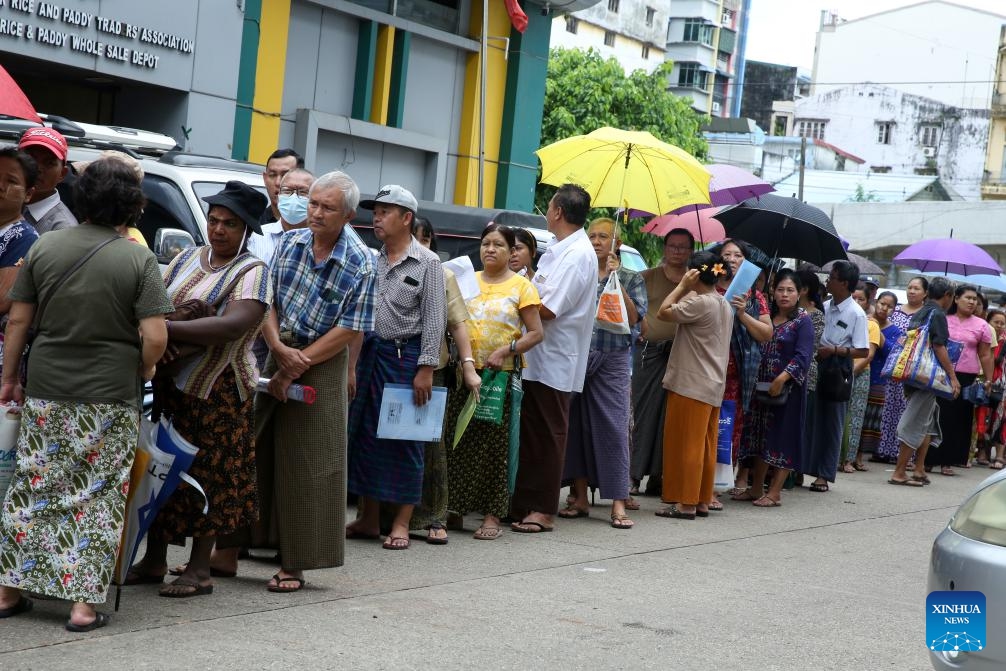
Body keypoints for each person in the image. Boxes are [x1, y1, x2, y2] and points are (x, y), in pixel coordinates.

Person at [0, 157, 171, 631]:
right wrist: (146, 365)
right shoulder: (138, 258)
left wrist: (10, 377)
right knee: (96, 495)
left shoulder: (47, 246)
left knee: (34, 485)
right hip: (109, 391)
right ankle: (81, 606)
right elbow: (155, 336)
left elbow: (18, 320)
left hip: (49, 386)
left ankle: (8, 590)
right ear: (132, 205)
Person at [214, 170, 376, 592]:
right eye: (314, 204)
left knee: (309, 463)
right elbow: (266, 300)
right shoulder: (289, 243)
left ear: (349, 215)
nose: (317, 213)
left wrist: (297, 363)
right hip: (274, 348)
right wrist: (278, 351)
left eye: (327, 207)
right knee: (248, 448)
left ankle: (296, 563)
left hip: (321, 360)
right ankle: (227, 551)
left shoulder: (361, 260)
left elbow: (350, 328)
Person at [128, 181, 272, 598]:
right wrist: (167, 332)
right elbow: (156, 300)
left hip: (219, 390)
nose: (219, 229)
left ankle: (198, 569)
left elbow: (234, 324)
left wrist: (167, 330)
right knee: (163, 469)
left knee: (208, 477)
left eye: (229, 223)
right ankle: (154, 560)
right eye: (214, 220)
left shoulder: (252, 272)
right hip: (172, 385)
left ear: (246, 229)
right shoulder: (186, 258)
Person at [346, 185, 446, 550]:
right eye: (375, 211)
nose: (377, 218)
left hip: (407, 358)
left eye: (386, 211)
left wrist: (426, 368)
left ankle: (401, 524)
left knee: (405, 439)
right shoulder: (371, 259)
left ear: (407, 219)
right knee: (366, 437)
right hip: (371, 354)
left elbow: (435, 320)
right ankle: (368, 519)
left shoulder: (428, 263)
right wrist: (352, 366)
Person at [446, 223, 543, 540]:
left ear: (511, 251)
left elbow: (536, 334)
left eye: (498, 245)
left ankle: (491, 516)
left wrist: (506, 350)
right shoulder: (467, 281)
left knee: (494, 448)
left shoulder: (522, 286)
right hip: (465, 372)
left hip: (499, 378)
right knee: (458, 442)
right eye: (486, 243)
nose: (490, 249)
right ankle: (455, 510)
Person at [511, 184, 597, 534]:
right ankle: (523, 502)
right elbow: (538, 290)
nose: (547, 211)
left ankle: (543, 509)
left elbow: (547, 308)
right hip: (538, 356)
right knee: (531, 433)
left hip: (556, 358)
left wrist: (507, 297)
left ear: (559, 211)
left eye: (549, 206)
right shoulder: (556, 250)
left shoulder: (578, 254)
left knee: (548, 434)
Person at [561, 218, 646, 529]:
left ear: (617, 243)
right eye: (592, 236)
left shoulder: (630, 276)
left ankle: (618, 503)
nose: (596, 241)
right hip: (580, 354)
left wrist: (615, 280)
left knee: (614, 427)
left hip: (614, 356)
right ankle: (580, 497)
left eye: (603, 237)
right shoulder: (581, 272)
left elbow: (635, 318)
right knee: (577, 424)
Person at [407, 215, 481, 544]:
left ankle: (434, 516)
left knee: (430, 444)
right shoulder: (386, 264)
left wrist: (468, 365)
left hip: (432, 368)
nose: (420, 246)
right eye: (415, 239)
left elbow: (458, 324)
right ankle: (379, 514)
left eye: (425, 240)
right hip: (390, 364)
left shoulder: (441, 272)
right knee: (389, 439)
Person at [655, 250, 733, 519]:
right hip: (713, 384)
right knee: (705, 445)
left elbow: (663, 312)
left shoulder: (701, 304)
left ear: (695, 274)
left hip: (691, 383)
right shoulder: (723, 303)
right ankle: (700, 499)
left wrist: (680, 286)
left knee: (687, 444)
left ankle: (686, 503)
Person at [736, 270, 814, 507]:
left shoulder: (803, 321)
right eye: (780, 289)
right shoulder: (766, 317)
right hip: (760, 388)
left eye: (790, 290)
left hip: (786, 391)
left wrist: (781, 378)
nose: (784, 295)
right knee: (761, 438)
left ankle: (776, 492)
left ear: (799, 293)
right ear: (773, 291)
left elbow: (803, 357)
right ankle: (757, 488)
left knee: (783, 438)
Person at [629, 228, 693, 498]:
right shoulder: (646, 277)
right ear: (665, 248)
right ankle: (632, 475)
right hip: (648, 354)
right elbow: (631, 310)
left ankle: (659, 475)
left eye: (683, 247)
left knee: (671, 418)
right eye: (672, 246)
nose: (677, 251)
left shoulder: (695, 282)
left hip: (681, 356)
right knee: (642, 414)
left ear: (690, 251)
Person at [802, 261, 869, 493]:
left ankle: (824, 474)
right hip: (816, 363)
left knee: (832, 421)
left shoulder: (856, 314)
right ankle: (803, 467)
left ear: (845, 283)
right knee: (810, 417)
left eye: (833, 277)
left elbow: (863, 350)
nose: (827, 280)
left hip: (837, 367)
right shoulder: (825, 305)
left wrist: (835, 350)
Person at [712, 239, 772, 499]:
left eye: (738, 255)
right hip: (709, 369)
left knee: (729, 429)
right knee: (707, 427)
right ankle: (703, 484)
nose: (733, 259)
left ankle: (718, 485)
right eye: (727, 254)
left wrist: (743, 314)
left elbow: (766, 334)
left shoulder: (754, 297)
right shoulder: (708, 288)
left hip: (738, 377)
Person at [890, 278, 960, 486]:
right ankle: (900, 472)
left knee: (928, 421)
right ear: (947, 295)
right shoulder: (937, 314)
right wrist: (953, 377)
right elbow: (939, 347)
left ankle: (919, 469)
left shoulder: (921, 311)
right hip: (926, 378)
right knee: (915, 421)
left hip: (913, 374)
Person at [926, 284, 993, 476]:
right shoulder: (943, 319)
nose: (972, 302)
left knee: (959, 419)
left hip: (966, 376)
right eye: (968, 298)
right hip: (941, 373)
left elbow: (986, 355)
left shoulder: (981, 326)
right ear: (956, 299)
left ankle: (948, 461)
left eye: (975, 299)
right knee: (936, 415)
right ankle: (929, 459)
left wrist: (988, 380)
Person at [876, 276, 928, 463]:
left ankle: (902, 453)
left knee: (906, 410)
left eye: (917, 288)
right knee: (888, 408)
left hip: (911, 369)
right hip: (890, 367)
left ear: (925, 293)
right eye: (910, 287)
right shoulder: (895, 310)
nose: (912, 291)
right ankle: (884, 449)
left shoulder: (926, 314)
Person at [840, 282, 881, 473]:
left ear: (867, 302)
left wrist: (850, 372)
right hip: (840, 370)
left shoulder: (870, 324)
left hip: (859, 372)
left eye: (861, 299)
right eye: (854, 297)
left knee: (855, 418)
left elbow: (869, 354)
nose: (856, 301)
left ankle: (848, 460)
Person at [859, 291, 903, 462]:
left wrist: (879, 333)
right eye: (882, 304)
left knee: (871, 419)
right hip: (860, 371)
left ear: (894, 309)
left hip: (879, 379)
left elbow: (893, 353)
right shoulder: (864, 320)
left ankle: (861, 456)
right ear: (876, 302)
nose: (884, 308)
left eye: (889, 306)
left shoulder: (895, 330)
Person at [0, 147, 40, 319]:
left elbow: (2, 300)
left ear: (28, 194)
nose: (1, 186)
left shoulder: (24, 237)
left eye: (11, 181)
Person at [794, 268, 825, 488]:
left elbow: (810, 347)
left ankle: (795, 471)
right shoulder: (785, 310)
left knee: (801, 423)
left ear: (804, 290)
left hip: (806, 374)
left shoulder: (815, 315)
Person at [248, 167, 314, 265]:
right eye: (287, 191)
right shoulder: (257, 236)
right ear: (278, 196)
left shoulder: (320, 241)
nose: (294, 197)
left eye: (303, 192)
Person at [18, 127, 77, 234]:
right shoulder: (7, 202)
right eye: (30, 158)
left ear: (62, 174)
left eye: (49, 163)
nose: (38, 168)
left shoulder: (62, 229)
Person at [978, 309, 1006, 468]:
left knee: (1001, 418)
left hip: (1003, 384)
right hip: (985, 381)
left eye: (1003, 323)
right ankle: (984, 451)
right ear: (988, 322)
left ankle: (1000, 455)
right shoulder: (984, 338)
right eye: (996, 322)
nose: (1000, 326)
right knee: (984, 416)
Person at [259, 149, 303, 228]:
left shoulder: (313, 225)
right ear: (265, 179)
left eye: (285, 175)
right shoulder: (254, 225)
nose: (278, 183)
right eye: (272, 175)